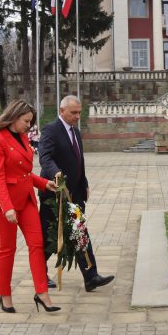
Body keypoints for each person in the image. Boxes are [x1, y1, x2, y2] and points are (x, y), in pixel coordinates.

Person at [0, 100, 59, 313]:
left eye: (30, 122)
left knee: (37, 245)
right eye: (26, 121)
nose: (29, 125)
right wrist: (7, 207)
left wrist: (44, 183)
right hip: (3, 204)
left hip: (26, 200)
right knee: (7, 249)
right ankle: (5, 295)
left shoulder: (23, 137)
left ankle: (42, 293)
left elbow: (24, 174)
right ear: (14, 117)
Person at [38, 95, 115, 292]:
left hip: (75, 195)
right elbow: (45, 158)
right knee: (49, 237)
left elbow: (78, 162)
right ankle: (39, 273)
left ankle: (91, 277)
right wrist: (56, 173)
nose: (77, 116)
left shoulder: (76, 132)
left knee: (80, 234)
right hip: (54, 194)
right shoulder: (50, 130)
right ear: (61, 111)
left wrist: (84, 183)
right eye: (73, 113)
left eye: (79, 112)